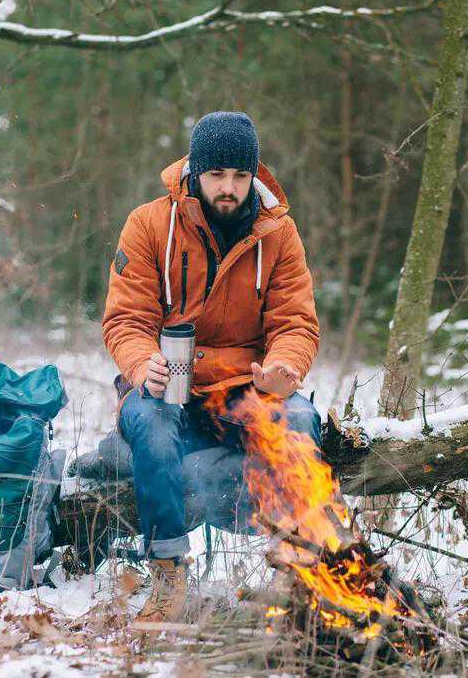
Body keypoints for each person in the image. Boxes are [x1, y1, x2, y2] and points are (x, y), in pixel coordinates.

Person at [102, 111, 321, 622]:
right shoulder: (150, 224)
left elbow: (296, 322)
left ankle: (297, 567)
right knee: (150, 425)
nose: (229, 188)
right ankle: (168, 573)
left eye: (240, 176)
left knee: (301, 421)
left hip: (245, 387)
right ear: (195, 172)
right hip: (168, 382)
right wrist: (141, 365)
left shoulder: (278, 234)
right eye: (217, 175)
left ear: (253, 175)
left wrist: (284, 367)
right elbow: (126, 320)